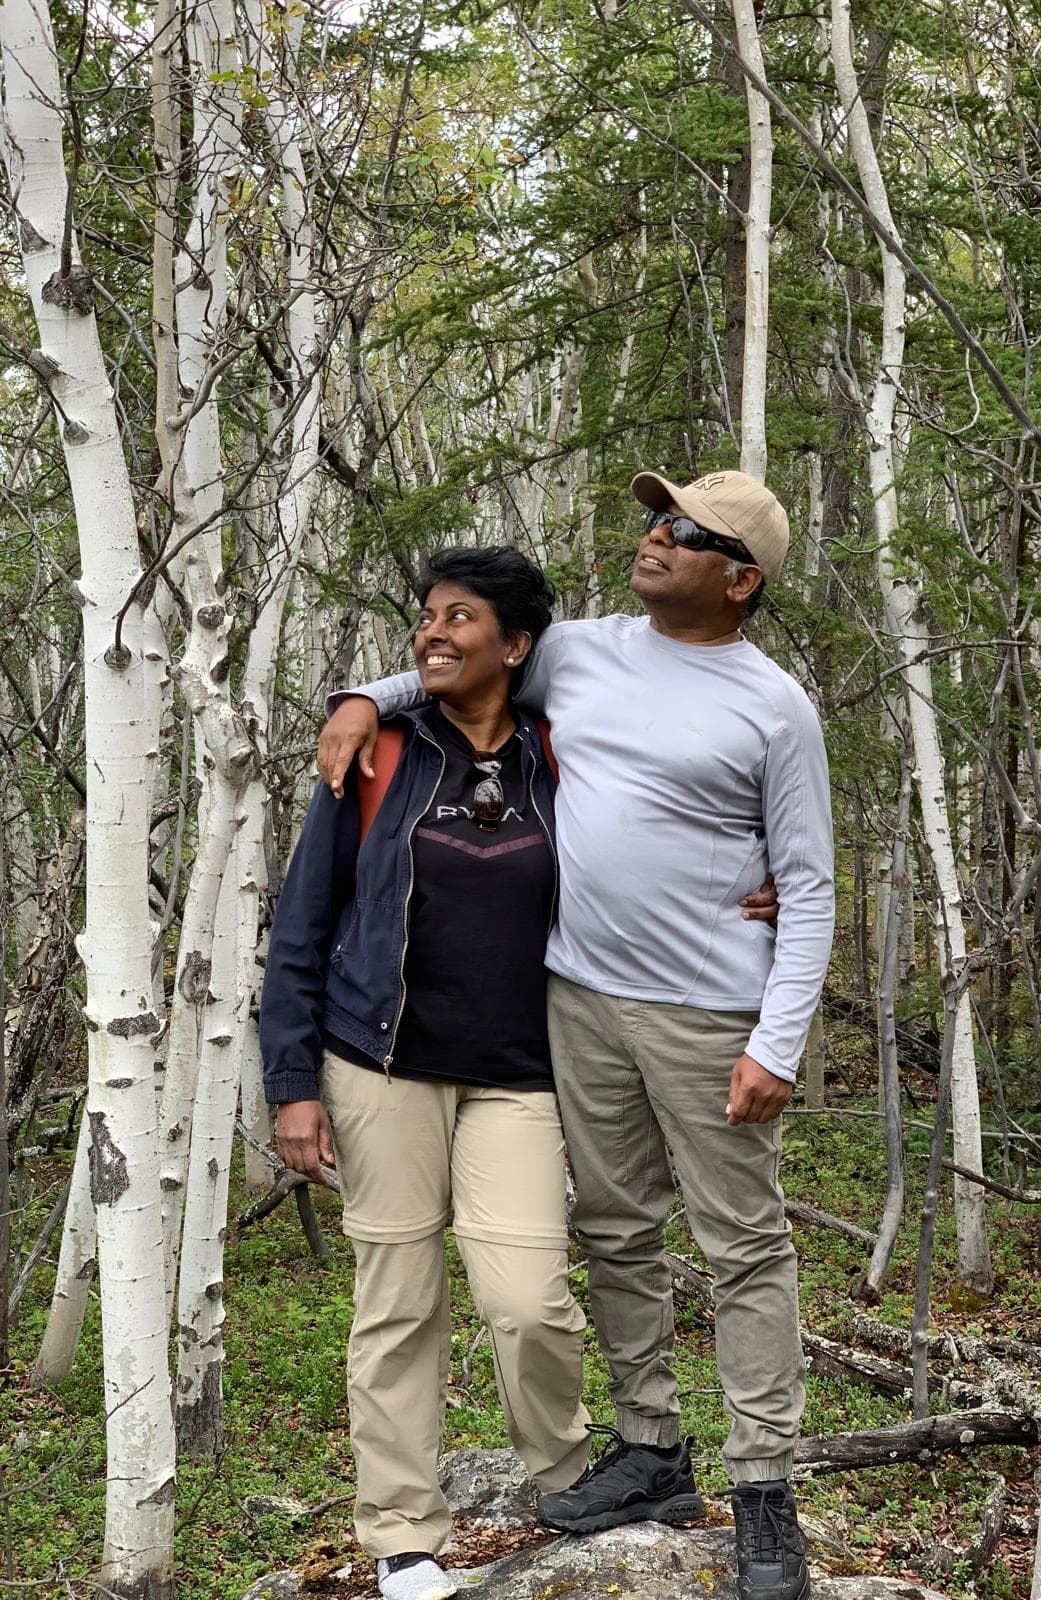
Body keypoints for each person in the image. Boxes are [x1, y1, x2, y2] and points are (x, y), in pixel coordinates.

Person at [319, 470, 835, 1600]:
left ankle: (764, 1490)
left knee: (743, 1243)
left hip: (710, 1016)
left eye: (687, 532)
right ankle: (652, 1451)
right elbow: (456, 663)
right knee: (614, 1232)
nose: (654, 535)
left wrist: (777, 1044)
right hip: (578, 1000)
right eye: (655, 517)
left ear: (740, 579)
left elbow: (808, 882)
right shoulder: (583, 650)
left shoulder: (774, 706)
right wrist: (362, 696)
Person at [259, 548, 593, 1600]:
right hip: (380, 1066)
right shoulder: (380, 754)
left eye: (460, 618)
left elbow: (650, 851)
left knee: (529, 1298)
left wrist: (749, 893)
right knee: (397, 1300)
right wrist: (292, 1082)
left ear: (517, 644)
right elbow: (303, 920)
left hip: (521, 1072)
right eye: (424, 618)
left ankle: (570, 1482)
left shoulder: (563, 748)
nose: (432, 633)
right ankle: (404, 1532)